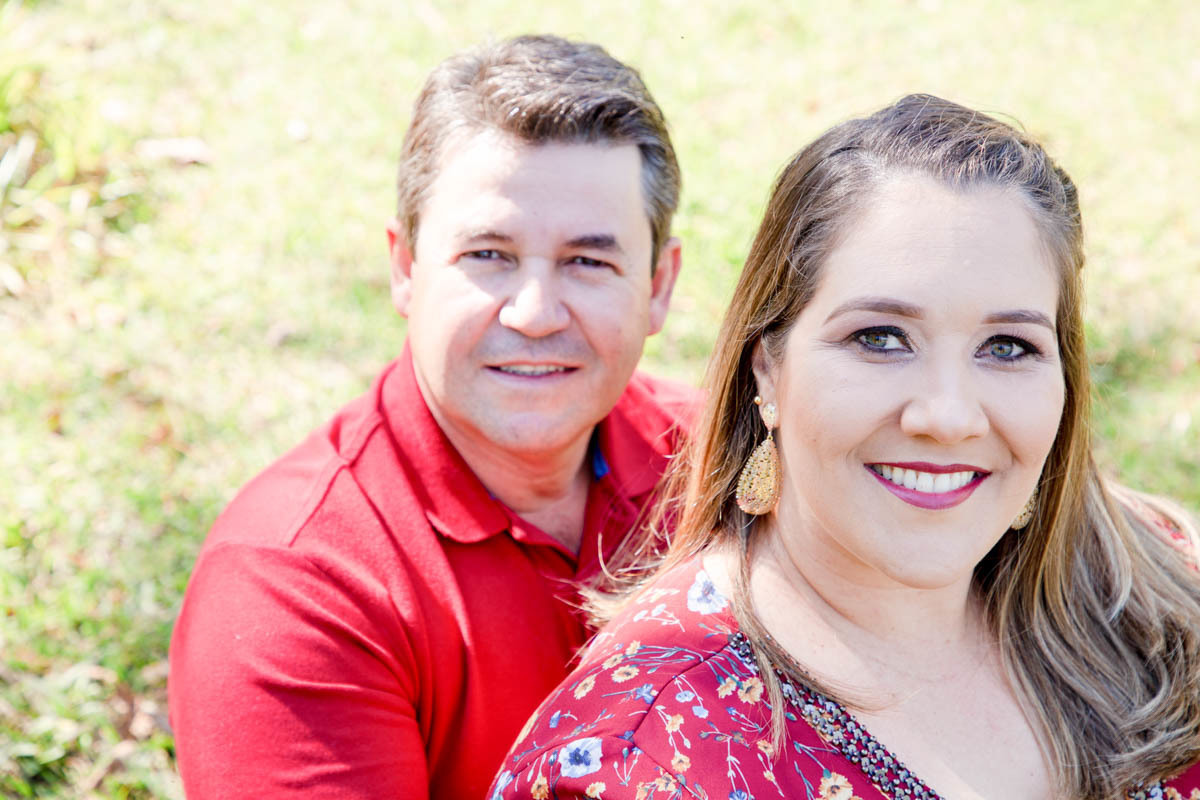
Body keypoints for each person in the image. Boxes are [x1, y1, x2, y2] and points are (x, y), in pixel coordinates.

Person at [490, 95, 1200, 800]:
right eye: (880, 338)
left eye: (1008, 346)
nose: (948, 417)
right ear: (767, 369)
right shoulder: (639, 763)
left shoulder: (1157, 604)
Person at [168, 35, 694, 800]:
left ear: (658, 285)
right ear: (405, 268)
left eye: (588, 261)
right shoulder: (293, 584)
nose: (535, 313)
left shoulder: (730, 470)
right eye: (488, 255)